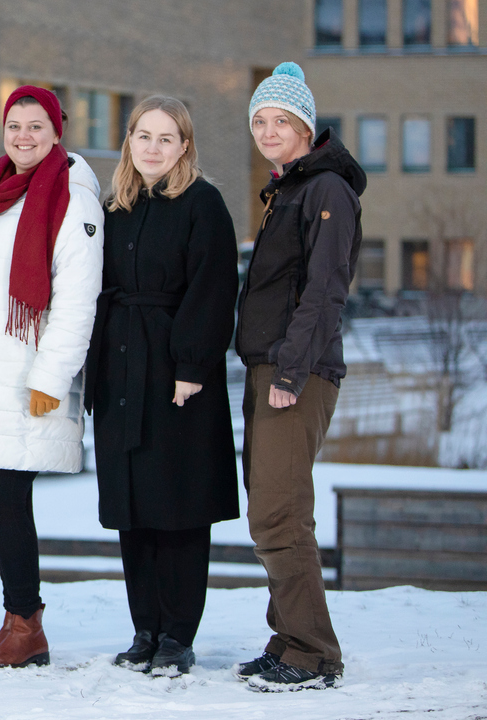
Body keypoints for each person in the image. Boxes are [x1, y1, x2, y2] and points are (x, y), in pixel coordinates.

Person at [0, 86, 104, 669]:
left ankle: (25, 625)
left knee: (4, 497)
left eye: (37, 126)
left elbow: (78, 297)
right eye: (15, 125)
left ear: (57, 132)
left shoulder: (71, 196)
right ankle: (21, 622)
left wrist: (51, 377)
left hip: (28, 377)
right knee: (0, 497)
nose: (24, 136)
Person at [88, 96, 239, 677]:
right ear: (129, 141)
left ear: (184, 146)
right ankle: (144, 629)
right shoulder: (116, 207)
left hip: (175, 371)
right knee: (133, 506)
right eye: (143, 136)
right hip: (121, 368)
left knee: (177, 504)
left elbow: (213, 287)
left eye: (166, 138)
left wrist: (191, 367)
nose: (152, 148)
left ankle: (177, 634)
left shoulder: (203, 203)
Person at [235, 62, 365, 692]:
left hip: (298, 371)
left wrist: (289, 371)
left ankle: (313, 653)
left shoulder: (326, 190)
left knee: (280, 513)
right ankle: (288, 639)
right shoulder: (289, 188)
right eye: (259, 121)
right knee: (270, 510)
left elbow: (325, 290)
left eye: (280, 121)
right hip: (272, 367)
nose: (268, 131)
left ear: (306, 127)